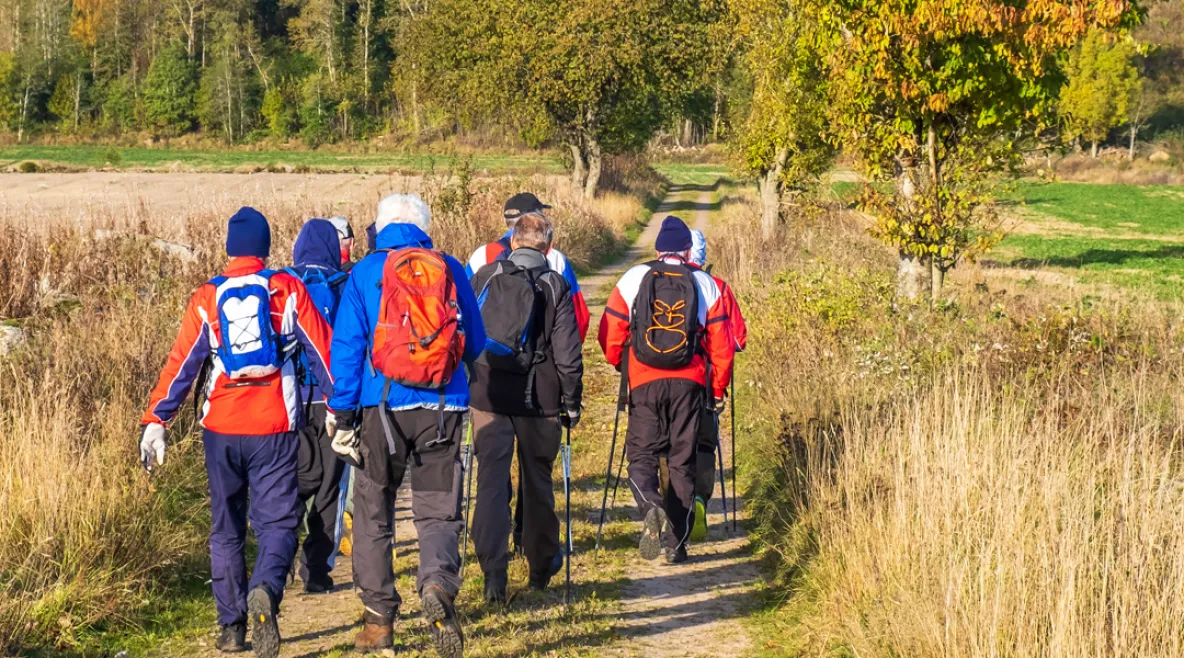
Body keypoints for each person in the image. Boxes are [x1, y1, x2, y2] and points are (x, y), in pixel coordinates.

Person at [138, 207, 334, 658]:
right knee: (278, 521)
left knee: (225, 527)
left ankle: (231, 628)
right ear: (265, 248)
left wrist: (157, 420)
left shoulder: (207, 297)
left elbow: (181, 365)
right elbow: (322, 353)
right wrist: (340, 408)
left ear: (228, 248)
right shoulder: (286, 289)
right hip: (275, 427)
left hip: (220, 429)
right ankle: (265, 587)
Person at [327, 193, 485, 655]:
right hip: (442, 407)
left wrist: (342, 412)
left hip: (380, 409)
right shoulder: (451, 268)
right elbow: (473, 343)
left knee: (375, 514)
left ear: (379, 228)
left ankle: (379, 625)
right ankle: (436, 585)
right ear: (424, 227)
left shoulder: (364, 273)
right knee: (438, 511)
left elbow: (348, 348)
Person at [598, 216, 734, 564]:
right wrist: (716, 389)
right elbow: (722, 346)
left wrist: (623, 365)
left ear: (657, 248)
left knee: (642, 455)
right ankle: (676, 543)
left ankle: (650, 507)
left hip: (644, 380)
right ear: (688, 250)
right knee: (682, 461)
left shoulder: (634, 278)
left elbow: (610, 332)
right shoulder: (705, 284)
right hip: (690, 383)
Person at [468, 213, 584, 603]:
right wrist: (572, 403)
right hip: (540, 400)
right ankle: (539, 567)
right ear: (547, 247)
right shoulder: (555, 285)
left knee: (490, 480)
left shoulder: (484, 275)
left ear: (513, 242)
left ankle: (493, 574)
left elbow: (465, 333)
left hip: (489, 396)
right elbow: (568, 356)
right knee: (537, 482)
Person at [285, 218, 351, 592]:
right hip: (331, 400)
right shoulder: (342, 285)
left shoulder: (284, 284)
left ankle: (279, 557)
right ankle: (316, 571)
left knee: (290, 482)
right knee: (330, 485)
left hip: (290, 400)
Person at [686, 229, 747, 541]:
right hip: (706, 381)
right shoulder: (717, 286)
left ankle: (671, 501)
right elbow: (737, 339)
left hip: (663, 377)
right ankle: (698, 499)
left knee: (668, 442)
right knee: (704, 444)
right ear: (702, 255)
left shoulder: (654, 279)